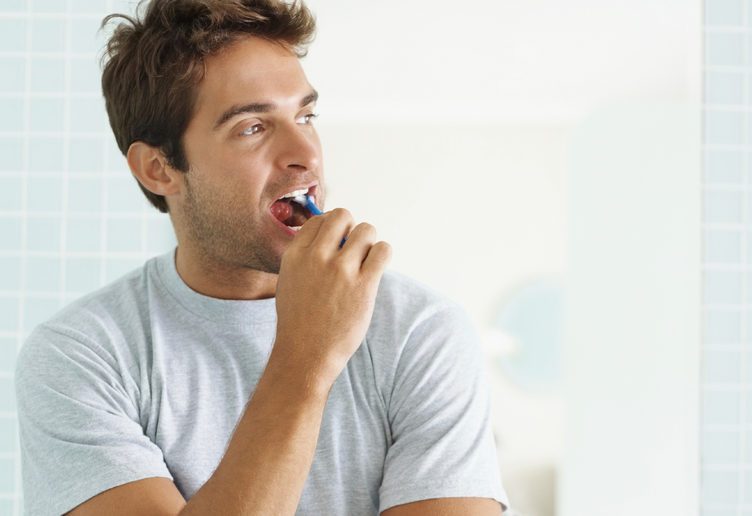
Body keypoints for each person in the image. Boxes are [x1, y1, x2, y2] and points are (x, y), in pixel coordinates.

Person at [14, 0, 511, 514]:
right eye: (252, 127)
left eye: (306, 116)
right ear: (158, 169)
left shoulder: (419, 333)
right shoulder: (81, 357)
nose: (306, 154)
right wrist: (305, 359)